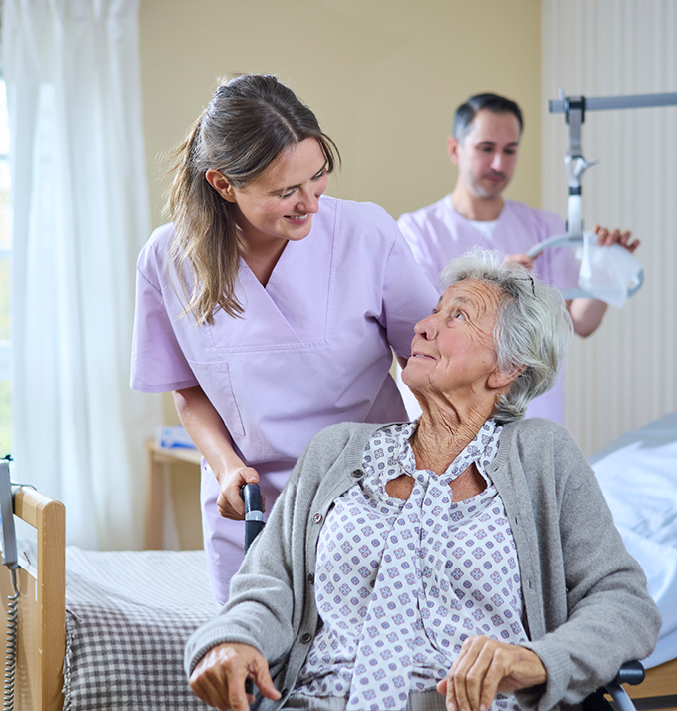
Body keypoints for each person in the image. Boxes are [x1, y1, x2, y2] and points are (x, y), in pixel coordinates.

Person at [185, 249, 660, 711]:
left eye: (458, 316)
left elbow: (624, 603)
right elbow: (266, 586)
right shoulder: (336, 450)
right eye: (435, 311)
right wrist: (233, 640)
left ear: (507, 368)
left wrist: (537, 660)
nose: (423, 326)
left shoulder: (542, 456)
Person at [130, 74, 438, 603]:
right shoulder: (169, 258)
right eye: (285, 191)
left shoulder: (367, 234)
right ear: (223, 185)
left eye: (317, 177)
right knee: (260, 672)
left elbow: (433, 365)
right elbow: (188, 389)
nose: (311, 204)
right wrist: (226, 468)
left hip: (372, 495)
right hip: (251, 509)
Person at [397, 93, 640, 424]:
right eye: (486, 148)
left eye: (509, 150)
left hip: (532, 415)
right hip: (449, 415)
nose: (499, 163)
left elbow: (581, 321)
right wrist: (499, 287)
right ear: (455, 149)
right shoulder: (417, 230)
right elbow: (422, 324)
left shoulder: (545, 227)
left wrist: (607, 268)